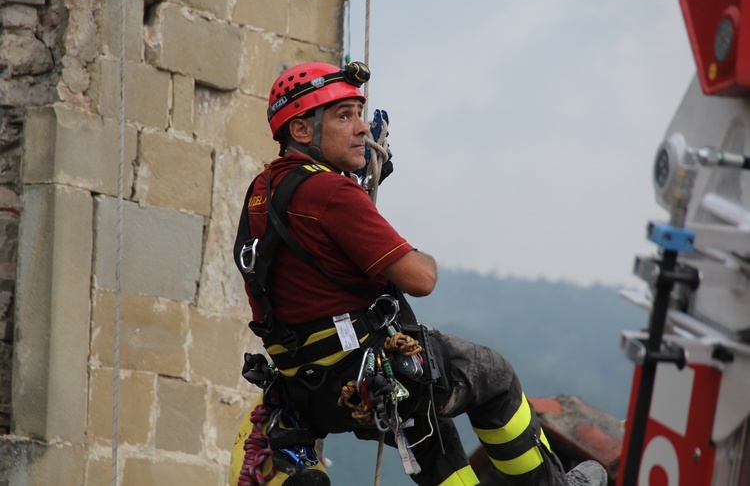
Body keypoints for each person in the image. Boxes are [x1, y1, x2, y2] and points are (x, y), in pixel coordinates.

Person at [230, 61, 607, 486]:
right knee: (493, 377)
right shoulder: (331, 192)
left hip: (308, 390)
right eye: (343, 116)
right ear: (301, 131)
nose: (362, 129)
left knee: (429, 431)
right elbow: (420, 279)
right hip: (367, 373)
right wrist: (406, 245)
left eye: (359, 113)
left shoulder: (262, 193)